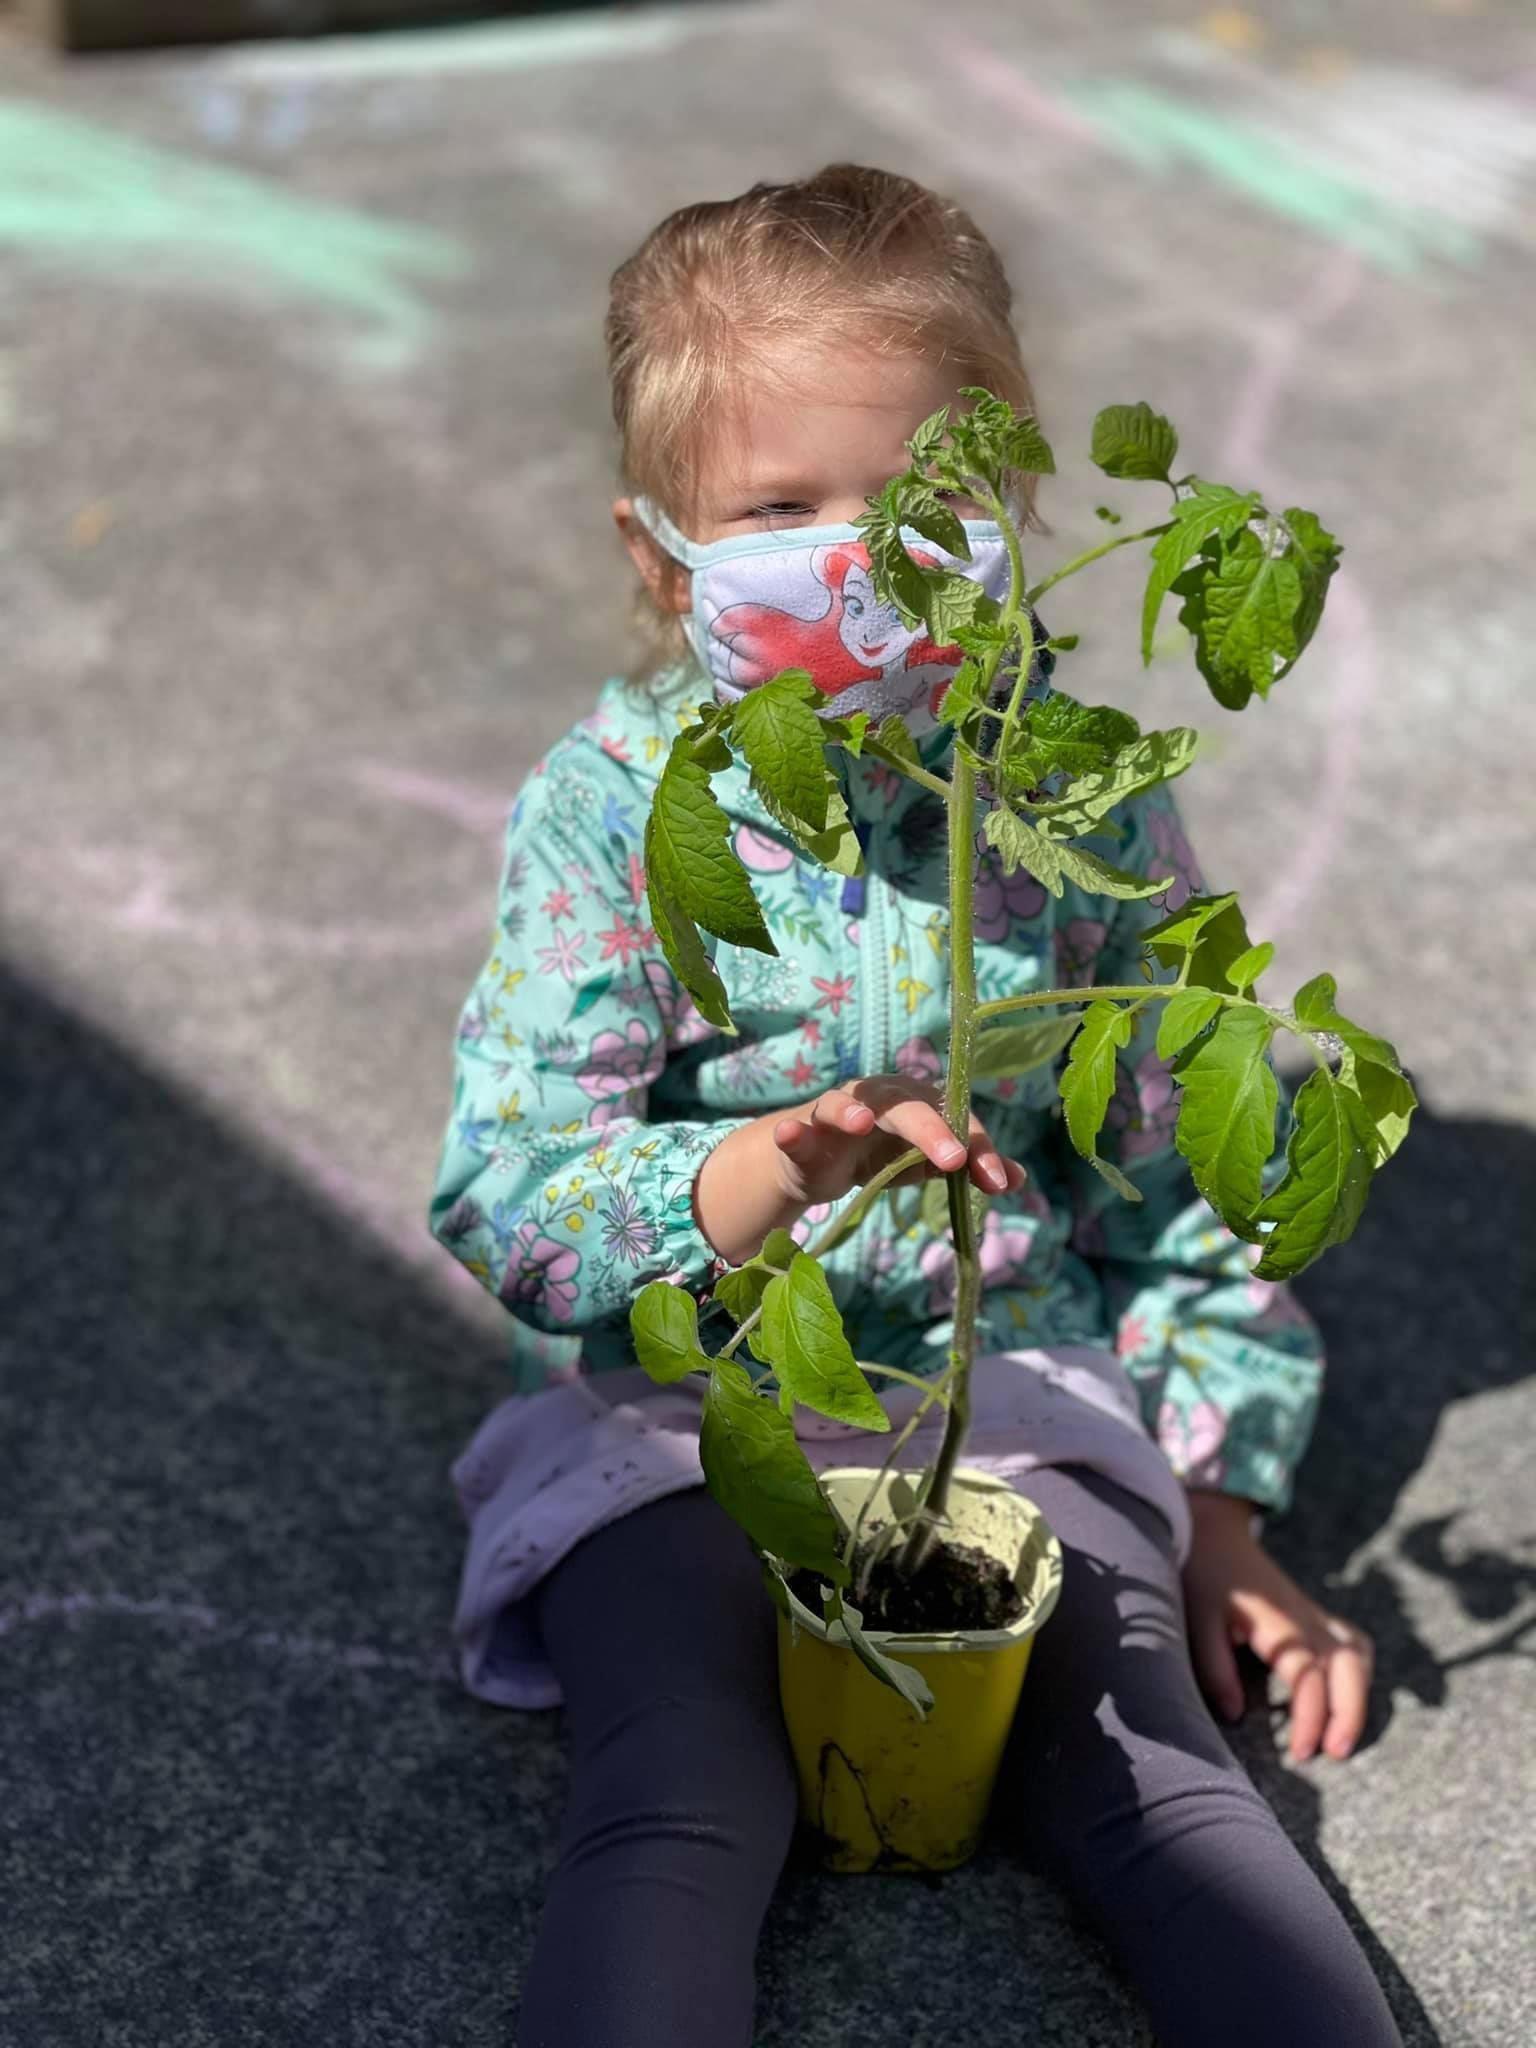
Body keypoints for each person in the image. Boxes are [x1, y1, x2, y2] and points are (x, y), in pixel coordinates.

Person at [429, 164, 1401, 2048]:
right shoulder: (616, 813)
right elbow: (509, 1196)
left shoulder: (1070, 790)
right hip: (690, 1410)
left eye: (922, 499)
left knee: (1168, 1791)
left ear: (1016, 508)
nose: (862, 558)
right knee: (681, 1799)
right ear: (665, 556)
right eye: (779, 510)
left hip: (1014, 1392)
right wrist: (763, 1167)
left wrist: (1217, 1501)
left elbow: (1177, 1161)